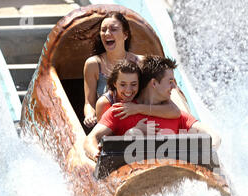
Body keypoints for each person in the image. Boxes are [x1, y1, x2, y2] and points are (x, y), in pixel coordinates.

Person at [84, 55, 220, 162]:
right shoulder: (121, 111)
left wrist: (211, 148)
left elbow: (213, 135)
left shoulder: (175, 115)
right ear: (154, 83)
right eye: (170, 82)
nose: (174, 87)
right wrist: (96, 155)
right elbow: (90, 139)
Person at [82, 11, 180, 128]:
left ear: (125, 35)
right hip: (109, 125)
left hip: (140, 123)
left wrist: (136, 109)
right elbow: (89, 103)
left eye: (113, 29)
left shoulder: (141, 63)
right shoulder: (93, 64)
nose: (107, 33)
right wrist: (89, 115)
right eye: (103, 30)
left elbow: (161, 99)